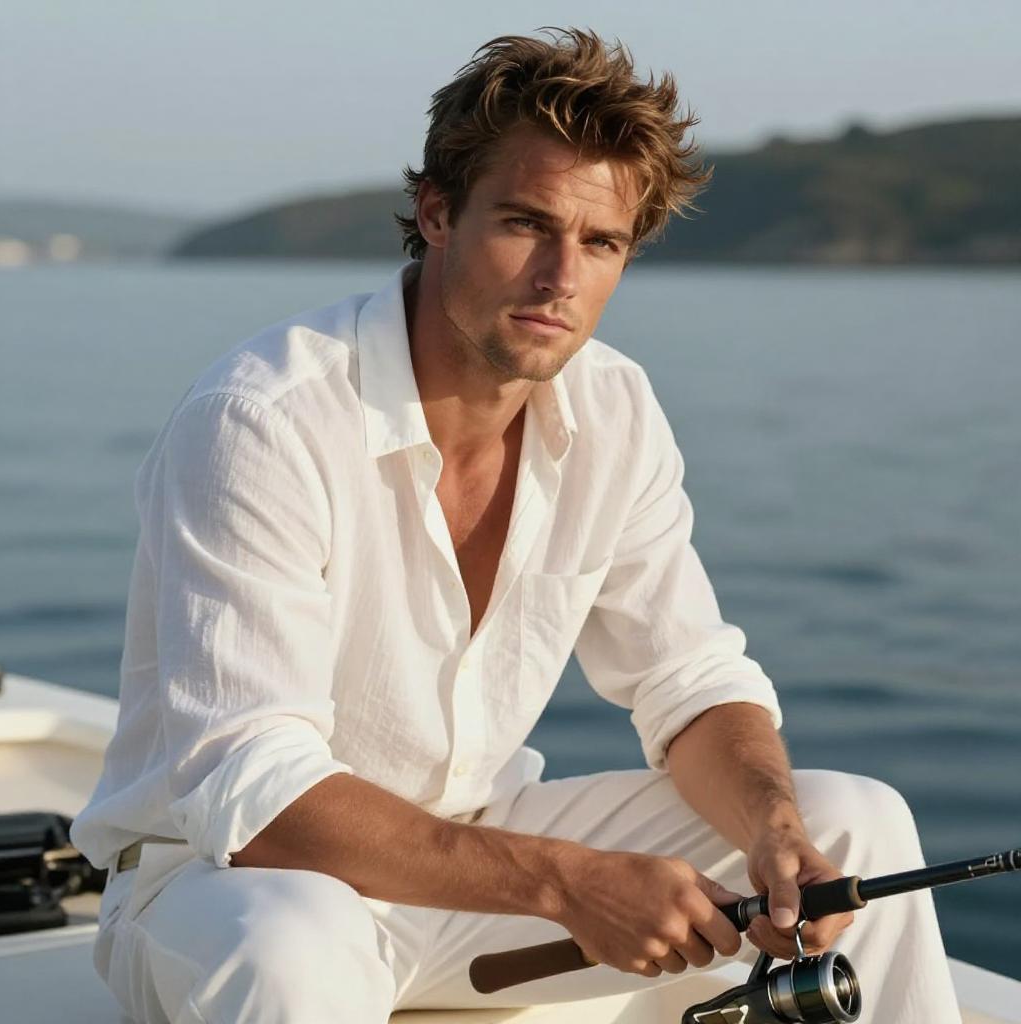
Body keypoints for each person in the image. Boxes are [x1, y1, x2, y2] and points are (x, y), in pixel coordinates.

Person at [71, 27, 961, 1024]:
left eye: (601, 242)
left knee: (860, 821)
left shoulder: (614, 408)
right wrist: (566, 883)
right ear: (437, 212)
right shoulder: (262, 418)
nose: (559, 277)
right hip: (220, 883)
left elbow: (687, 681)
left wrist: (772, 826)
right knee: (291, 947)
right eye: (526, 224)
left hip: (469, 866)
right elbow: (254, 793)